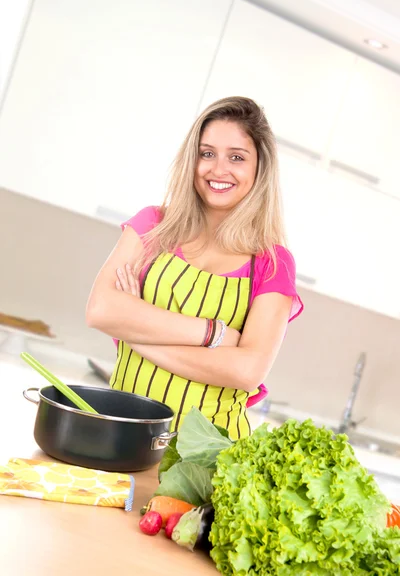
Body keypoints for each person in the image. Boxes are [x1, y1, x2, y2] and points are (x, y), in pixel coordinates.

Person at [86, 96, 303, 439]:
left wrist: (136, 333)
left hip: (210, 458)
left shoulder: (272, 264)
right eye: (207, 153)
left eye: (236, 157)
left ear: (260, 169)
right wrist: (213, 334)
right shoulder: (153, 225)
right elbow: (100, 310)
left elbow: (247, 371)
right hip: (122, 433)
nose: (218, 169)